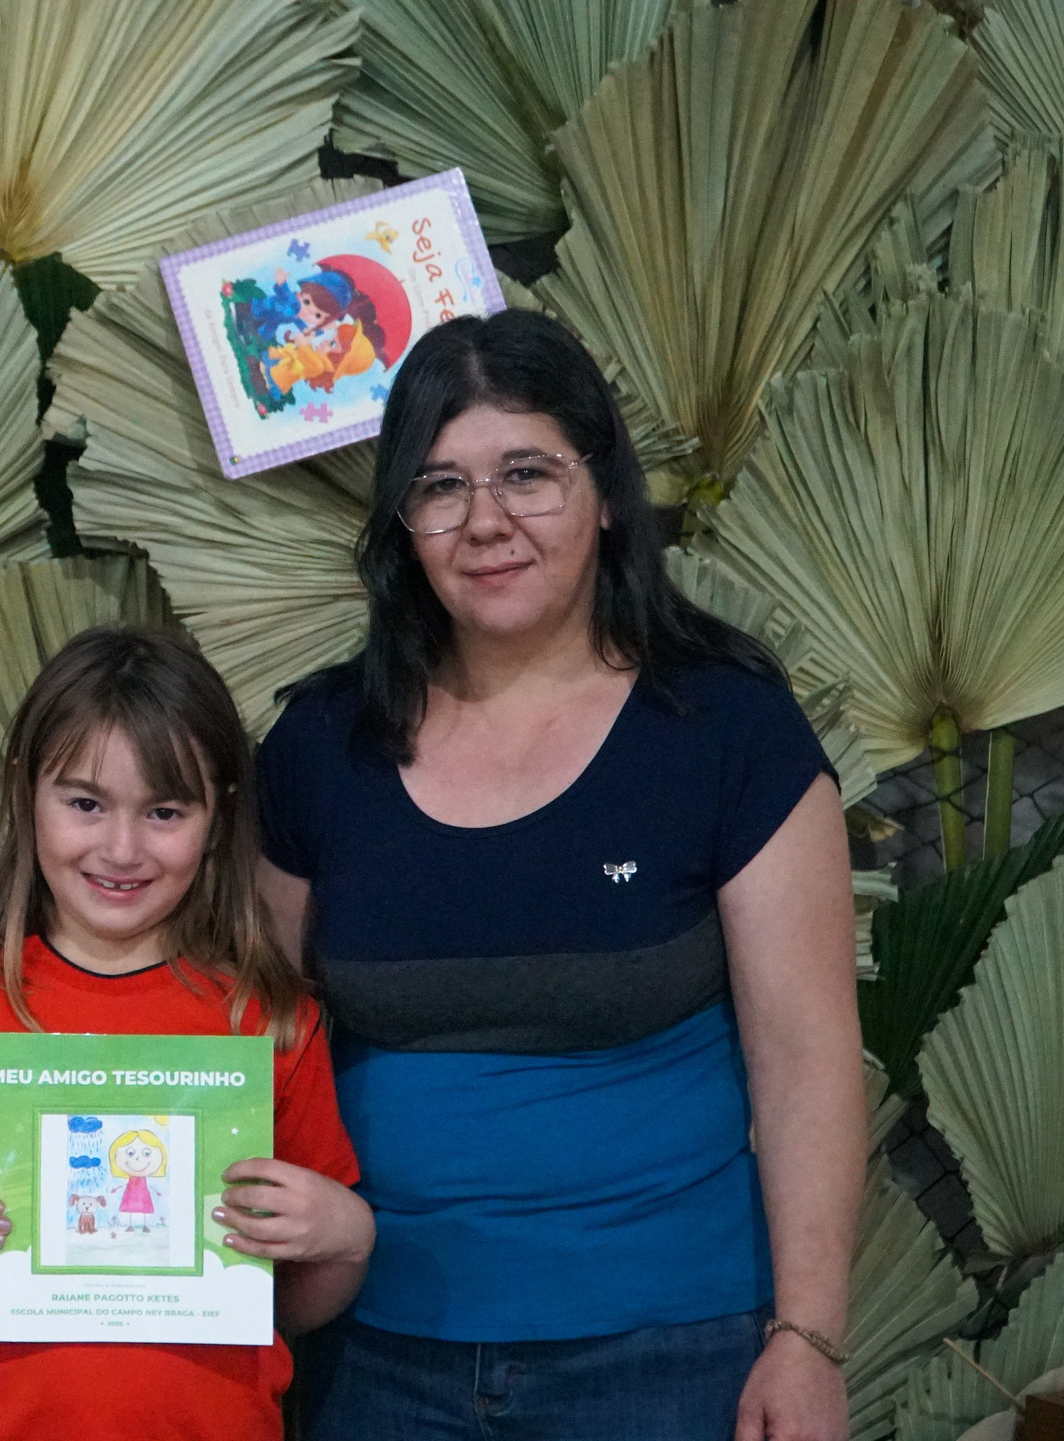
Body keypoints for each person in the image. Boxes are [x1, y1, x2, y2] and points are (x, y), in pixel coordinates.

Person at [255, 309, 863, 1441]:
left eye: (525, 474)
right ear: (402, 523)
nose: (484, 522)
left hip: (668, 1353)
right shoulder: (318, 746)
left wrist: (806, 1337)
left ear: (601, 488)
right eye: (440, 488)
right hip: (372, 1354)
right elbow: (250, 1034)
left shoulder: (726, 727)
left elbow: (807, 1058)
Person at [0, 625, 375, 1440]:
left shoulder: (267, 1020)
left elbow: (290, 1299)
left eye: (165, 810)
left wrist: (348, 1237)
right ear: (28, 792)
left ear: (217, 816)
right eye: (86, 802)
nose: (122, 848)